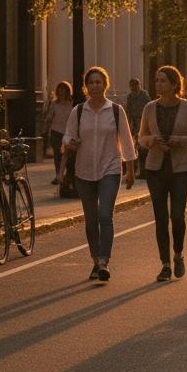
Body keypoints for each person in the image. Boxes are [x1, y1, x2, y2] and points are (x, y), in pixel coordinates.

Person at [62, 67, 137, 282]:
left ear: (106, 85)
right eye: (91, 82)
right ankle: (95, 260)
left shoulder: (115, 110)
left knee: (105, 215)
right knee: (91, 219)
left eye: (99, 82)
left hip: (110, 169)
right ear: (86, 87)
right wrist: (70, 142)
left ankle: (104, 261)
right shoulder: (78, 111)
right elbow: (67, 136)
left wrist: (130, 171)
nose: (95, 86)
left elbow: (126, 141)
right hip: (84, 171)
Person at [137, 66, 187, 282]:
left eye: (163, 81)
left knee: (177, 215)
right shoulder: (149, 108)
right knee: (160, 218)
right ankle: (165, 264)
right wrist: (150, 141)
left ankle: (178, 253)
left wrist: (180, 141)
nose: (158, 85)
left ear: (175, 84)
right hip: (155, 168)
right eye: (156, 81)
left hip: (180, 168)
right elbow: (141, 137)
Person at [43, 81, 73, 187]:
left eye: (64, 90)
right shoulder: (54, 104)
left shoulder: (71, 103)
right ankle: (58, 176)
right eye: (60, 90)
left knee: (68, 155)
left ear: (67, 92)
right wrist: (46, 123)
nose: (61, 92)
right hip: (56, 132)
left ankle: (66, 175)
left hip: (68, 132)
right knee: (57, 155)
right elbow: (49, 117)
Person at [125, 78, 151, 179]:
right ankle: (137, 170)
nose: (133, 88)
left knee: (143, 148)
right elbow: (129, 111)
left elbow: (149, 107)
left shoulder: (144, 95)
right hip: (135, 123)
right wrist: (129, 124)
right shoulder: (129, 97)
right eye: (131, 86)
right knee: (135, 147)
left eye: (135, 85)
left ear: (138, 85)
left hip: (143, 121)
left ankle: (144, 171)